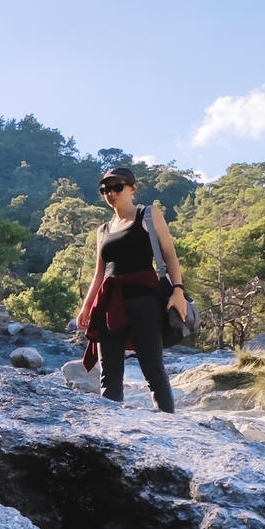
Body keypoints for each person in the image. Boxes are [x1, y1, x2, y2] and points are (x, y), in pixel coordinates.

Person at [76, 166, 187, 413]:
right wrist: (85, 307)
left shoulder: (148, 215)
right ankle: (111, 433)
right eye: (105, 189)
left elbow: (170, 255)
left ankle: (169, 425)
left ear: (133, 188)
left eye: (117, 187)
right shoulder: (103, 230)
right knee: (109, 375)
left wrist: (178, 290)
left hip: (144, 302)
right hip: (109, 304)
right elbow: (99, 272)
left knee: (153, 372)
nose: (110, 193)